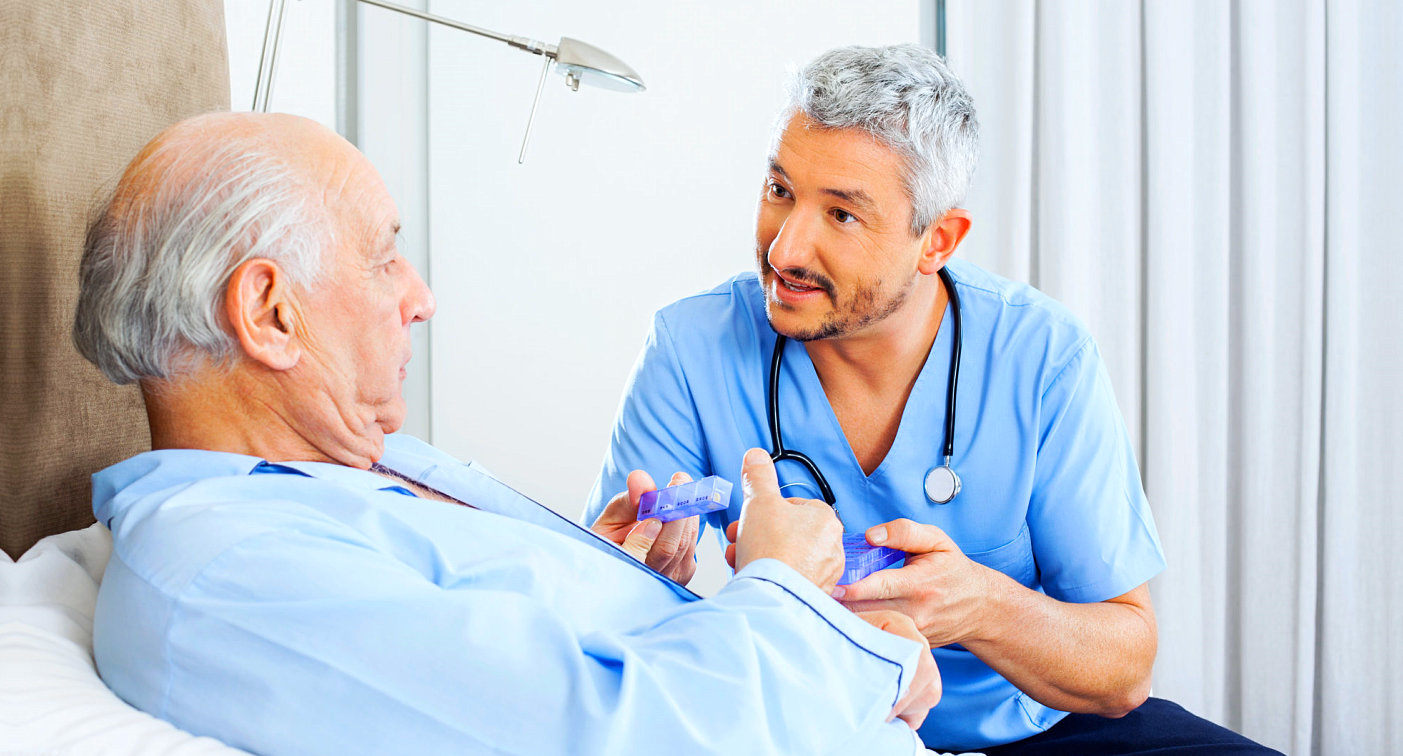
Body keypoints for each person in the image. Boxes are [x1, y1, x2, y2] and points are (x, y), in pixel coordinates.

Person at [73, 111, 946, 755]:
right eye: (383, 257)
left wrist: (598, 575)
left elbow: (522, 672)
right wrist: (786, 582)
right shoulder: (227, 575)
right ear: (269, 313)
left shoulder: (344, 469)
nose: (420, 297)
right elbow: (634, 738)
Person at [584, 44, 1280, 755]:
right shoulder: (691, 345)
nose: (785, 249)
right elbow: (597, 632)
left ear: (936, 240)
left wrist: (979, 605)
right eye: (779, 191)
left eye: (843, 216)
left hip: (1031, 736)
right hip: (805, 726)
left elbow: (1123, 669)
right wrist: (625, 576)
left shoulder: (1040, 356)